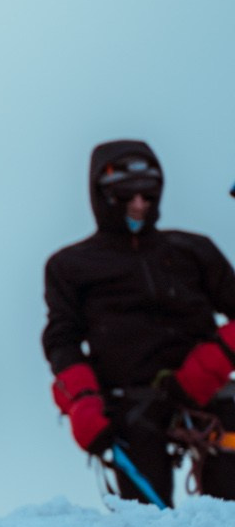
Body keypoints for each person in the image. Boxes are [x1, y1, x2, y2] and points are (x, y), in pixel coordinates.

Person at [44, 141, 235, 504]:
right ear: (102, 197)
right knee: (146, 519)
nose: (138, 205)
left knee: (229, 502)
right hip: (128, 403)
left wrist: (209, 364)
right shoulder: (70, 266)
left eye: (148, 196)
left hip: (204, 393)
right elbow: (61, 339)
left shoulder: (193, 250)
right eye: (126, 196)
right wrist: (83, 400)